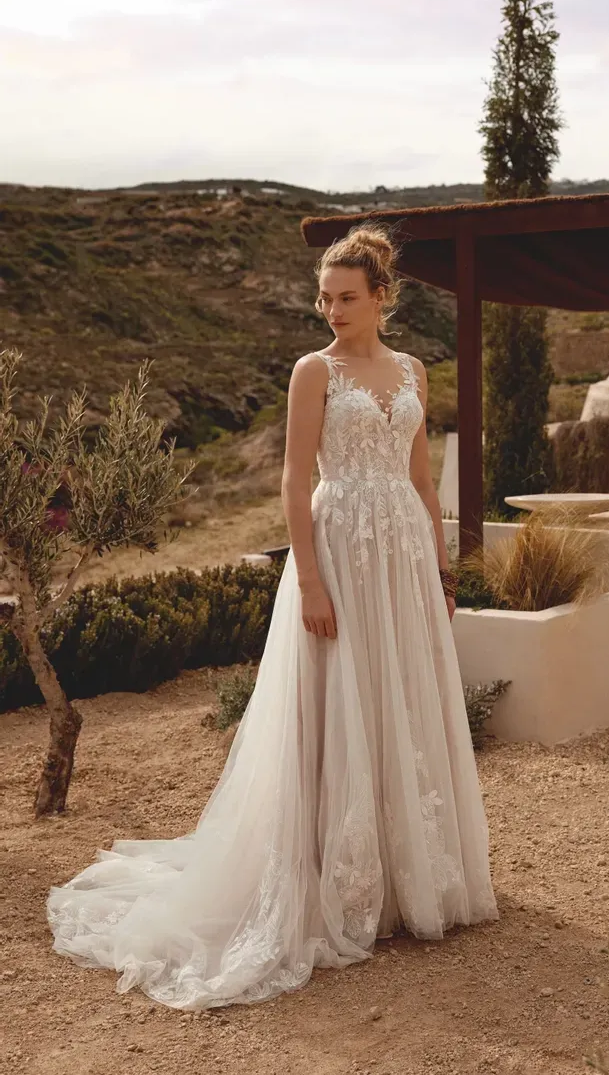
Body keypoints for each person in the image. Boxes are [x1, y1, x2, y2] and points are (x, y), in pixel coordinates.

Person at [46, 222, 499, 1011]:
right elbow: (294, 481)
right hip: (339, 551)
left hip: (401, 554)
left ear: (382, 297)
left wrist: (440, 567)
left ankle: (408, 876)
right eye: (324, 299)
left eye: (347, 298)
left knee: (399, 697)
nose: (332, 311)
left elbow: (424, 481)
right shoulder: (313, 370)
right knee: (336, 702)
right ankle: (331, 874)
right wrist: (312, 582)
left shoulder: (414, 372)